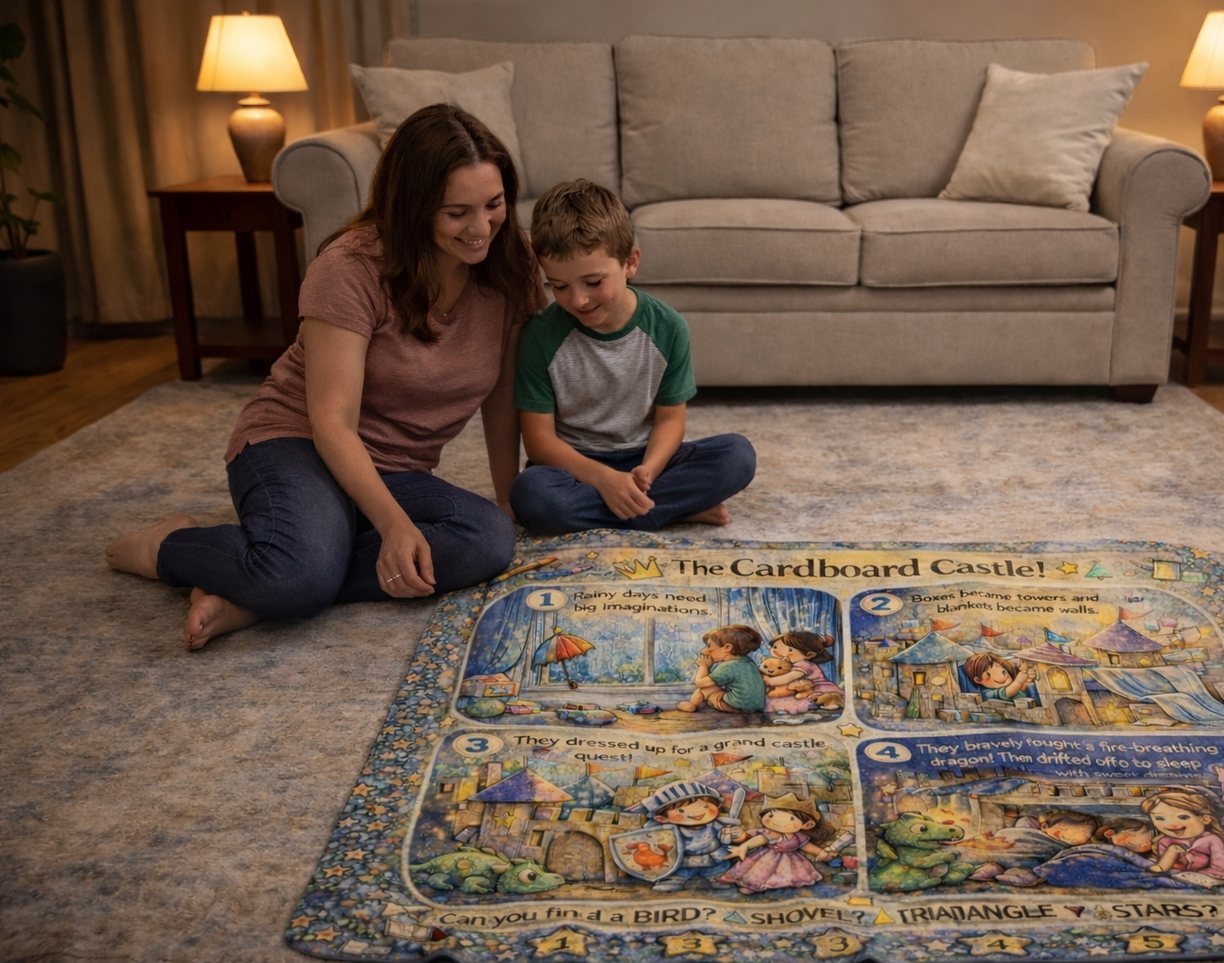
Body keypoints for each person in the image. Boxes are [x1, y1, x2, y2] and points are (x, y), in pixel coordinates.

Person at [105, 104, 541, 650]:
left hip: (396, 467)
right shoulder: (351, 266)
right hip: (295, 442)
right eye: (457, 213)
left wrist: (504, 497)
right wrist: (393, 525)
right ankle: (169, 545)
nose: (481, 229)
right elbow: (331, 422)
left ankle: (260, 589)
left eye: (494, 204)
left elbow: (502, 393)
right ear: (412, 208)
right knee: (301, 575)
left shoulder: (510, 263)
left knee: (487, 540)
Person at [507, 179, 755, 533]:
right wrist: (605, 479)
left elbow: (670, 420)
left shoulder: (669, 327)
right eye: (559, 286)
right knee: (531, 495)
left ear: (630, 262)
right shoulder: (540, 336)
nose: (578, 300)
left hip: (648, 461)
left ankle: (637, 504)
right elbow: (539, 441)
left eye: (593, 282)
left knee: (737, 455)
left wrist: (648, 472)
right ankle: (670, 511)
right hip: (575, 468)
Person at [719, 793, 828, 895]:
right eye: (771, 816)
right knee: (759, 872)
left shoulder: (797, 836)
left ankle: (781, 885)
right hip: (765, 858)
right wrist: (742, 841)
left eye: (791, 818)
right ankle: (751, 885)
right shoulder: (770, 833)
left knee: (792, 874)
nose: (778, 821)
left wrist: (821, 852)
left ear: (807, 825)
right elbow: (758, 839)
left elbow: (806, 846)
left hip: (791, 860)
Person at [639, 781, 737, 892]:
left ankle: (717, 878)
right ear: (662, 818)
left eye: (704, 806)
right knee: (677, 871)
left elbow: (732, 839)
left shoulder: (715, 824)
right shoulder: (670, 831)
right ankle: (674, 880)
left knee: (718, 869)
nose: (697, 812)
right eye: (681, 810)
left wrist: (731, 836)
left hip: (712, 859)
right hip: (683, 861)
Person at [1142, 788, 1224, 880]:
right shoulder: (1165, 841)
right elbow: (1163, 868)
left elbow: (1220, 868)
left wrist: (1198, 875)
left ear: (1206, 819)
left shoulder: (1212, 839)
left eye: (1183, 817)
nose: (1170, 824)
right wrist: (1171, 853)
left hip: (1206, 879)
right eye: (1159, 818)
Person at [677, 624, 766, 714]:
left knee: (704, 688)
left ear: (727, 648)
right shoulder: (748, 662)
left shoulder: (728, 666)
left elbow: (700, 683)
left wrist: (704, 666)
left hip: (736, 706)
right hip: (755, 707)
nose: (703, 651)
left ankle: (691, 705)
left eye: (709, 646)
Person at [762, 631, 846, 714]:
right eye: (775, 647)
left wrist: (770, 681)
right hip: (805, 690)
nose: (778, 652)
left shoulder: (804, 664)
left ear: (809, 655)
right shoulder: (791, 663)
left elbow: (787, 679)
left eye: (790, 650)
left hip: (819, 690)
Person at [962, 652, 1037, 701]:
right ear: (978, 680)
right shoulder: (987, 694)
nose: (1002, 673)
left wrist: (1026, 678)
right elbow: (1007, 693)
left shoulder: (1010, 681)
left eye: (998, 666)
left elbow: (1021, 690)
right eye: (988, 674)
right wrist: (1018, 681)